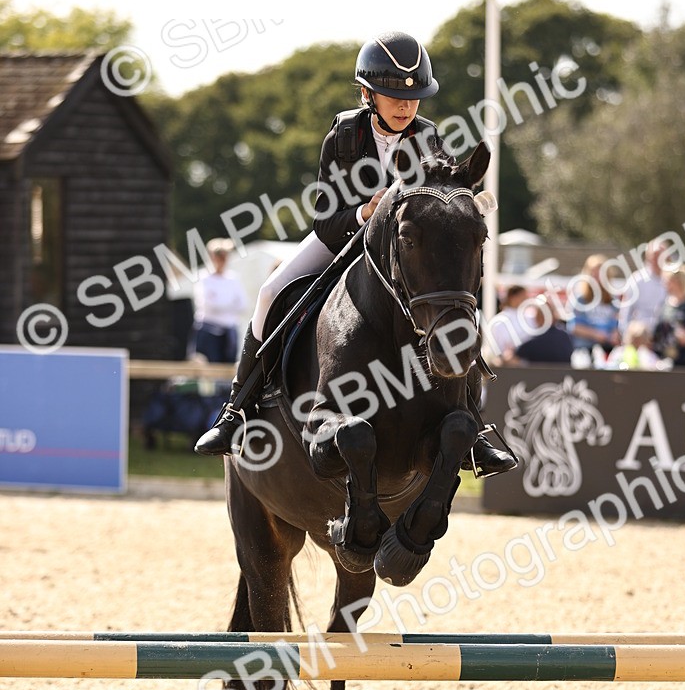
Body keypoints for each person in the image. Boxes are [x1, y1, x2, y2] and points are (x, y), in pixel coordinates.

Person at [195, 32, 516, 475]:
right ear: (369, 95)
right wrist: (366, 210)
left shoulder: (428, 137)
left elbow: (439, 197)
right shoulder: (344, 136)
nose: (406, 107)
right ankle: (237, 410)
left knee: (449, 309)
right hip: (341, 241)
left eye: (415, 98)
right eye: (393, 97)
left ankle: (475, 432)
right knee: (270, 292)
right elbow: (324, 220)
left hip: (397, 257)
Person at [191, 238, 248, 364]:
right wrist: (229, 305)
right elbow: (207, 304)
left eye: (224, 255)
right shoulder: (203, 278)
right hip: (208, 333)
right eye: (218, 255)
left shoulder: (233, 279)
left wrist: (221, 304)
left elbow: (243, 305)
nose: (222, 259)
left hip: (229, 334)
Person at [566, 254, 621, 358]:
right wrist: (597, 335)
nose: (597, 276)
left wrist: (614, 335)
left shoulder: (613, 301)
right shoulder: (580, 300)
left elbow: (617, 325)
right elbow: (574, 327)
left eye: (600, 273)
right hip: (585, 350)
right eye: (593, 272)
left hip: (608, 350)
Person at [617, 239, 670, 337]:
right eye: (655, 255)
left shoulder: (672, 280)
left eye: (661, 255)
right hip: (639, 338)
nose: (657, 259)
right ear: (648, 257)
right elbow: (625, 314)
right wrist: (628, 337)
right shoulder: (637, 280)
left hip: (664, 338)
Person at [504, 295, 573, 365]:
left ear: (539, 318)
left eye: (537, 315)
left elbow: (512, 358)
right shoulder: (565, 337)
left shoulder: (532, 344)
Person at [484, 284, 529, 364]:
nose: (526, 300)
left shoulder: (529, 318)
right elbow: (496, 349)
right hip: (506, 366)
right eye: (523, 297)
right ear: (513, 297)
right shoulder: (499, 321)